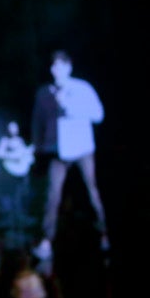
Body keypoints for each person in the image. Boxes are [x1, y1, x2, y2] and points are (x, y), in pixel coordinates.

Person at [30, 49, 110, 274]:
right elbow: (40, 122)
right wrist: (37, 147)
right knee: (52, 194)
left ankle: (103, 233)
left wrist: (71, 107)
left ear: (68, 67)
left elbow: (98, 115)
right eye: (53, 67)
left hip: (82, 148)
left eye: (60, 66)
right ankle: (46, 240)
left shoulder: (82, 88)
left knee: (91, 190)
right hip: (59, 151)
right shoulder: (47, 92)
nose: (56, 71)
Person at [0, 120, 36, 233]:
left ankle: (22, 216)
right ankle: (8, 218)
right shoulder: (5, 141)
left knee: (22, 194)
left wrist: (28, 157)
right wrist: (13, 156)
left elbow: (26, 155)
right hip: (10, 173)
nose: (14, 130)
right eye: (11, 128)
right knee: (9, 196)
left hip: (21, 173)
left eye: (15, 128)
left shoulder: (20, 140)